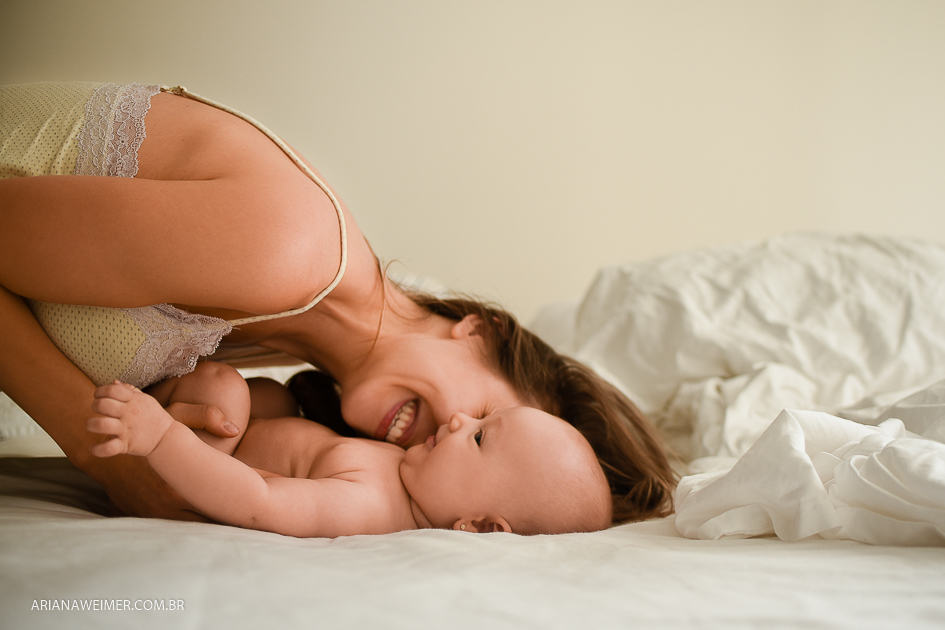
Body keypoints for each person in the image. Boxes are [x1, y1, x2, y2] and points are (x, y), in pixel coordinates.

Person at [0, 81, 676, 526]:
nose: (450, 428)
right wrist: (99, 456)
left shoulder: (269, 343)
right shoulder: (289, 248)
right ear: (479, 332)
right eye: (484, 418)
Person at [85, 363, 613, 537]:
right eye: (482, 414)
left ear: (478, 526)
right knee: (268, 395)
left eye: (478, 435)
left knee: (223, 387)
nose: (459, 418)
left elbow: (257, 500)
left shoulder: (368, 507)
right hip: (245, 437)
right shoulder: (410, 478)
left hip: (194, 477)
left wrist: (162, 438)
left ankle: (129, 431)